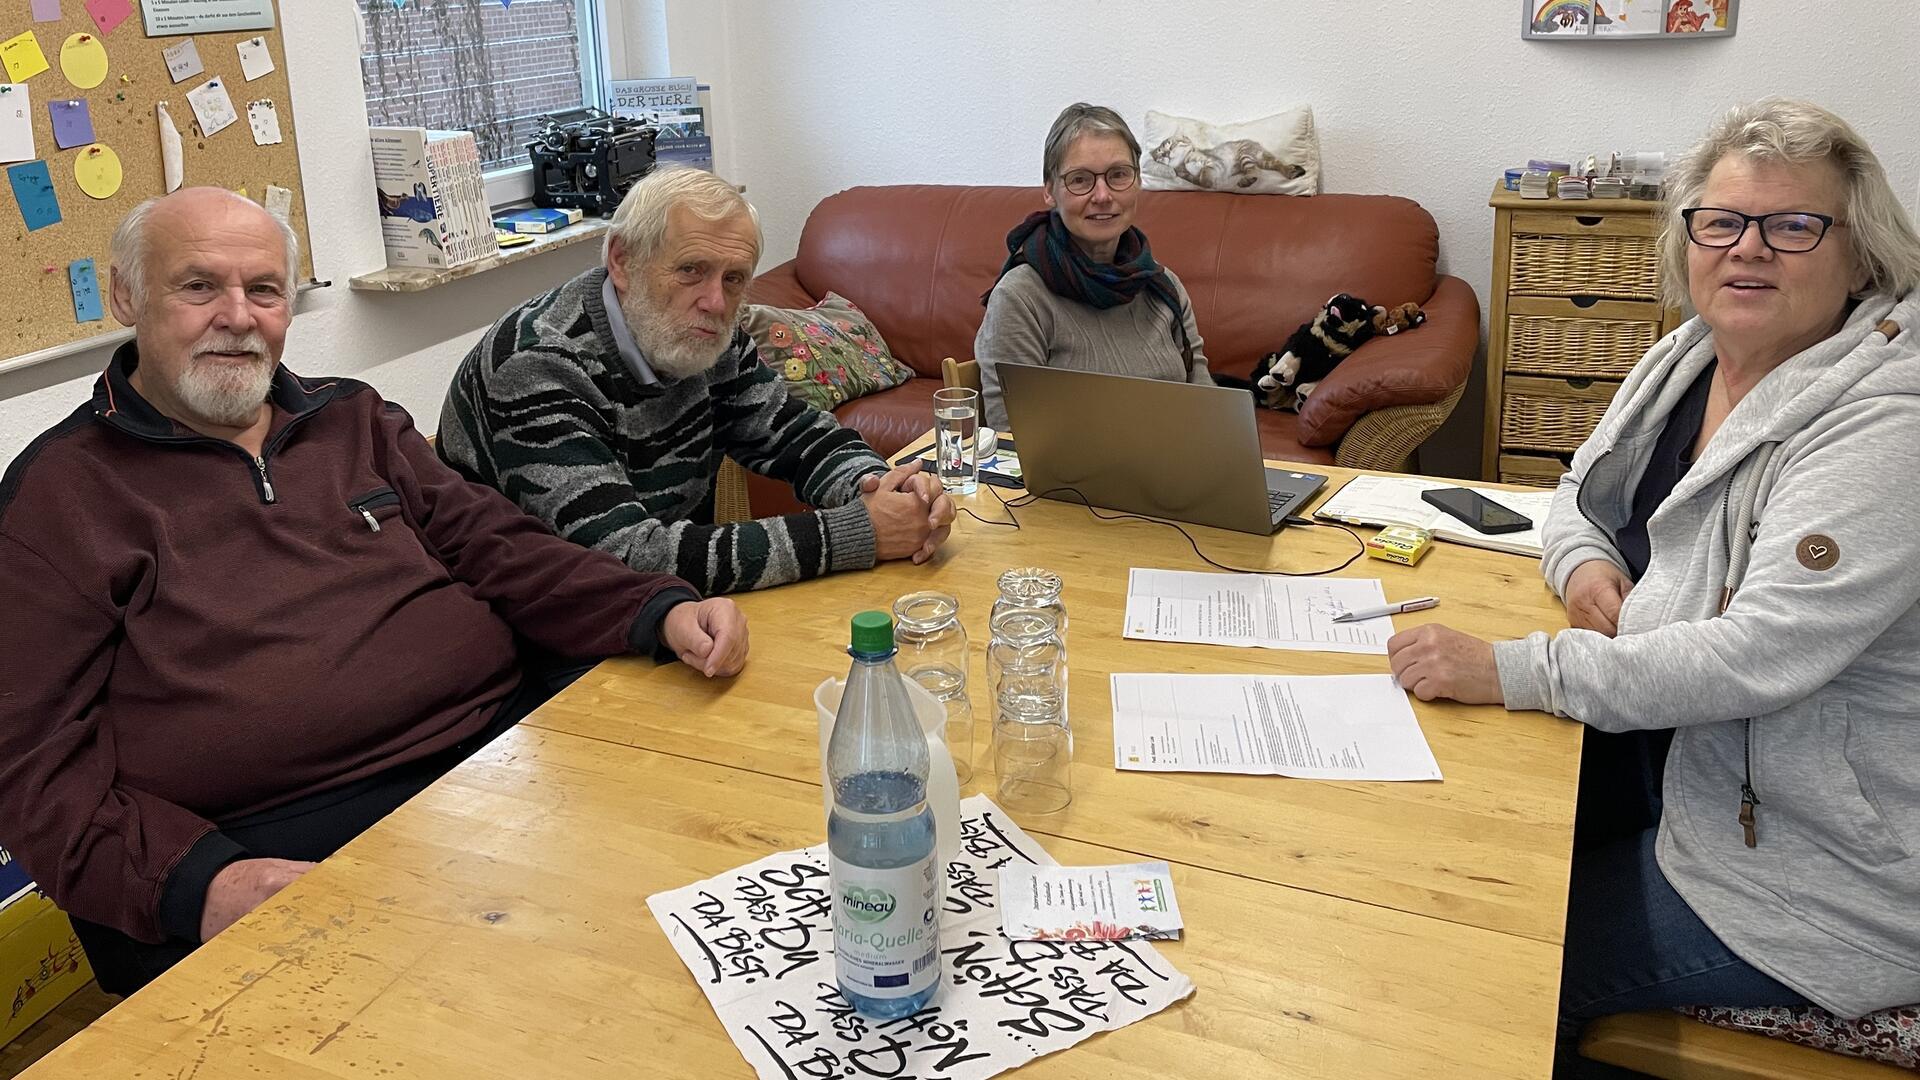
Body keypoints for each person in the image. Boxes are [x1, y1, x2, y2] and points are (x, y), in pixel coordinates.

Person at [0, 188, 749, 995]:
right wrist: (199, 886)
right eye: (197, 286)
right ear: (126, 296)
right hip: (285, 846)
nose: (237, 315)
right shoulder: (58, 498)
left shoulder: (351, 419)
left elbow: (500, 548)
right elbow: (28, 761)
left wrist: (655, 607)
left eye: (263, 289)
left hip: (503, 767)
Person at [1384, 99, 1920, 1076]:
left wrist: (1515, 668)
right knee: (1430, 860)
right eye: (1721, 222)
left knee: (1484, 970)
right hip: (1671, 779)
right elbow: (1575, 500)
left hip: (1810, 877)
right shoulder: (1687, 357)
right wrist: (1586, 566)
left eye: (1794, 225)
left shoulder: (1887, 426)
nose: (1748, 250)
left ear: (1862, 256)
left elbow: (1753, 653)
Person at [438, 167, 953, 595]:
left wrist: (887, 485)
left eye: (734, 279)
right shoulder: (537, 365)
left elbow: (794, 436)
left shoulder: (707, 336)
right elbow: (623, 557)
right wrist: (859, 531)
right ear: (621, 260)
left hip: (666, 611)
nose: (715, 302)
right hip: (532, 634)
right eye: (691, 270)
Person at [974, 103, 1213, 431]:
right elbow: (1015, 444)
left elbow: (1208, 412)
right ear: (1049, 190)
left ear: (1138, 181)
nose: (1102, 195)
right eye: (1080, 180)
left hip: (1177, 473)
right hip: (1067, 481)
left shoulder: (1163, 286)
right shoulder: (1020, 298)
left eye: (1118, 175)